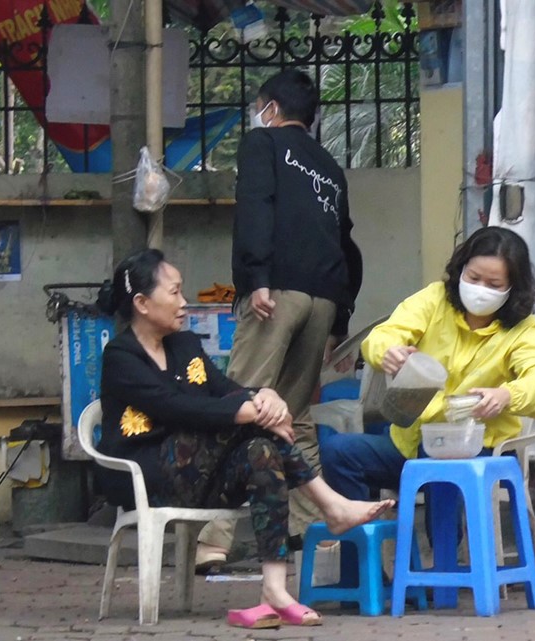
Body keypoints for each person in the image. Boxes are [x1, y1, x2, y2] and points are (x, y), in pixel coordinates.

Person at [95, 249, 392, 628]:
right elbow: (176, 408)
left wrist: (261, 397)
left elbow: (223, 389)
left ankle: (274, 589)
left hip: (198, 474)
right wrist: (252, 412)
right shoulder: (121, 356)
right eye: (174, 292)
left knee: (261, 450)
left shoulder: (184, 345)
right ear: (142, 303)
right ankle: (331, 504)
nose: (184, 302)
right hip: (146, 475)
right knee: (254, 425)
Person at [196, 68, 363, 569]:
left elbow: (256, 208)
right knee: (296, 413)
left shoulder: (262, 144)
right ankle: (311, 528)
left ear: (270, 108)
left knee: (238, 402)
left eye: (258, 106)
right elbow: (346, 245)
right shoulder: (330, 166)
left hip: (278, 290)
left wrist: (256, 277)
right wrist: (340, 317)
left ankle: (212, 538)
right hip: (324, 299)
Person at [320, 227, 535, 509]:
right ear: (461, 270)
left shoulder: (523, 329)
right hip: (409, 443)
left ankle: (447, 553)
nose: (481, 289)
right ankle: (365, 540)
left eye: (493, 285)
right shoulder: (436, 300)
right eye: (474, 278)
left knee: (440, 462)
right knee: (338, 452)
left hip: (474, 450)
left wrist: (507, 396)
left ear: (512, 288)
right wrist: (388, 352)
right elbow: (384, 335)